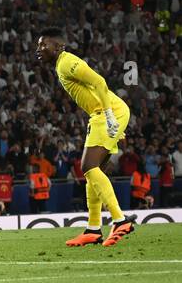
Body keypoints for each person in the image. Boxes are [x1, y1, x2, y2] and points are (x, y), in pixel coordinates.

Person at [36, 32, 135, 247]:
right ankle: (93, 228)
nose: (39, 49)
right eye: (38, 45)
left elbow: (99, 81)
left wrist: (109, 117)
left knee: (88, 166)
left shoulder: (66, 62)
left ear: (58, 46)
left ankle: (119, 220)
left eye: (44, 45)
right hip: (106, 112)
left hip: (107, 113)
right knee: (93, 171)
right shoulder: (61, 64)